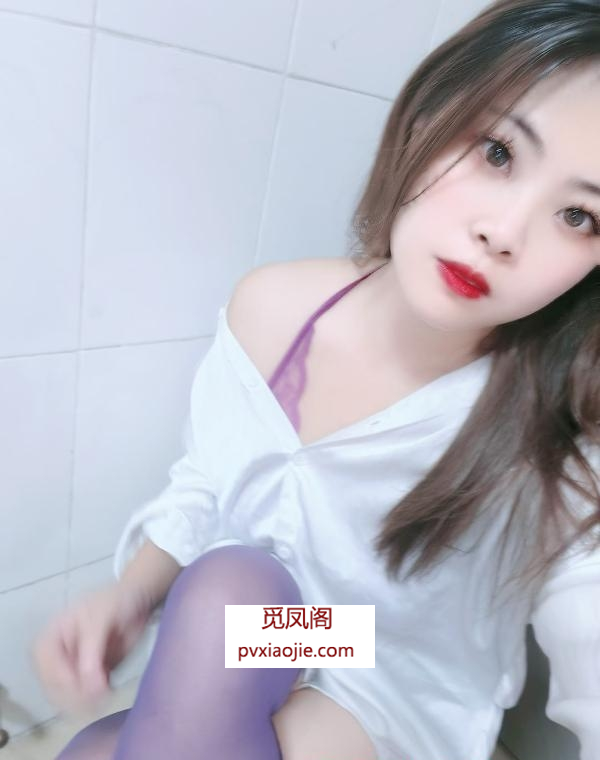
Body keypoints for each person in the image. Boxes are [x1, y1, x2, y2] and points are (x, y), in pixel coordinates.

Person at [32, 1, 600, 759]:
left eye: (579, 217)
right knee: (213, 609)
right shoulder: (273, 306)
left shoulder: (558, 433)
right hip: (270, 631)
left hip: (392, 672)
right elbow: (208, 480)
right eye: (496, 152)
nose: (502, 233)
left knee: (221, 607)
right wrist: (130, 596)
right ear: (429, 113)